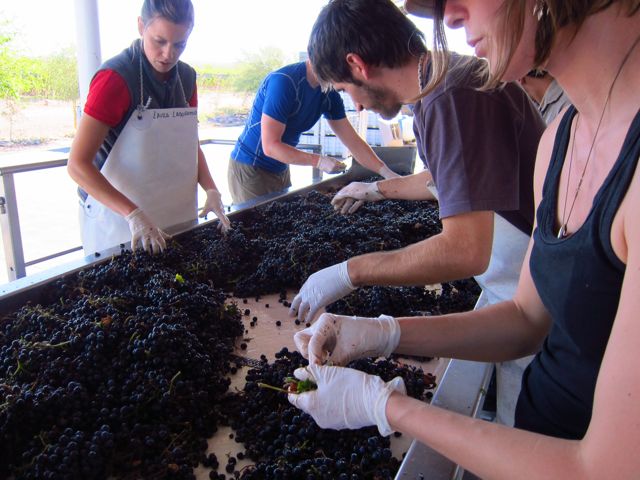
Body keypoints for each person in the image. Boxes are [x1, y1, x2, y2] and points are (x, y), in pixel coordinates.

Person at [289, 0, 640, 478]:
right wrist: (382, 332)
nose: (449, 17)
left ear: (357, 65)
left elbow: (601, 468)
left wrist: (384, 404)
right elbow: (524, 319)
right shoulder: (562, 138)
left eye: (457, 1)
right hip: (538, 400)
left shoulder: (452, 95)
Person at [289, 0, 545, 426]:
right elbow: (448, 178)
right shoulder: (439, 86)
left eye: (344, 89)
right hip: (517, 303)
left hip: (539, 313)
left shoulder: (453, 96)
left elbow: (465, 251)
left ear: (358, 64)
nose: (356, 106)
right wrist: (376, 189)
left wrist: (349, 272)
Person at [68, 0, 230, 255]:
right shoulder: (115, 79)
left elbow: (189, 144)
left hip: (169, 207)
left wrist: (210, 187)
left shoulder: (187, 78)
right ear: (141, 26)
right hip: (116, 216)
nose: (169, 54)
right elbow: (77, 165)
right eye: (159, 41)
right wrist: (133, 214)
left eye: (180, 44)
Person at [227, 60, 400, 205]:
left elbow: (353, 141)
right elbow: (270, 146)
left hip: (280, 168)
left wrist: (387, 174)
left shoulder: (328, 93)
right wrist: (319, 161)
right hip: (250, 168)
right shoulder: (285, 82)